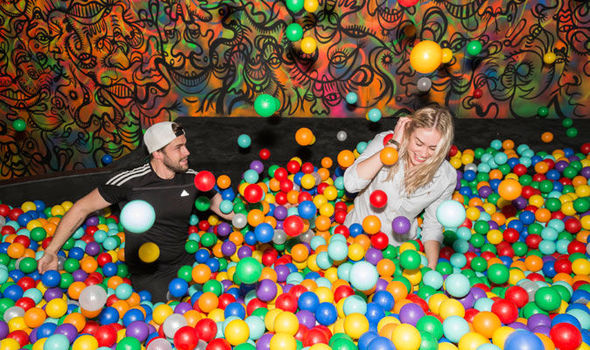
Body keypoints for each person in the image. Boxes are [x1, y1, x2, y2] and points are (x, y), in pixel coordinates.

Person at [38, 121, 233, 302]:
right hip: (149, 272)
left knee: (217, 297)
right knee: (172, 310)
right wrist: (51, 252)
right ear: (157, 153)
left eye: (185, 145)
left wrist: (255, 219)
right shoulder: (130, 182)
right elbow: (81, 208)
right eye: (178, 148)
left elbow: (221, 207)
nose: (187, 152)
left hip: (186, 263)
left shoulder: (194, 179)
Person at [343, 105, 457, 269]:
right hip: (356, 240)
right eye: (419, 143)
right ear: (409, 132)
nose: (423, 153)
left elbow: (433, 225)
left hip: (399, 254)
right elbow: (351, 184)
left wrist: (431, 269)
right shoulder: (385, 142)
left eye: (433, 148)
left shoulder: (446, 176)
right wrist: (392, 146)